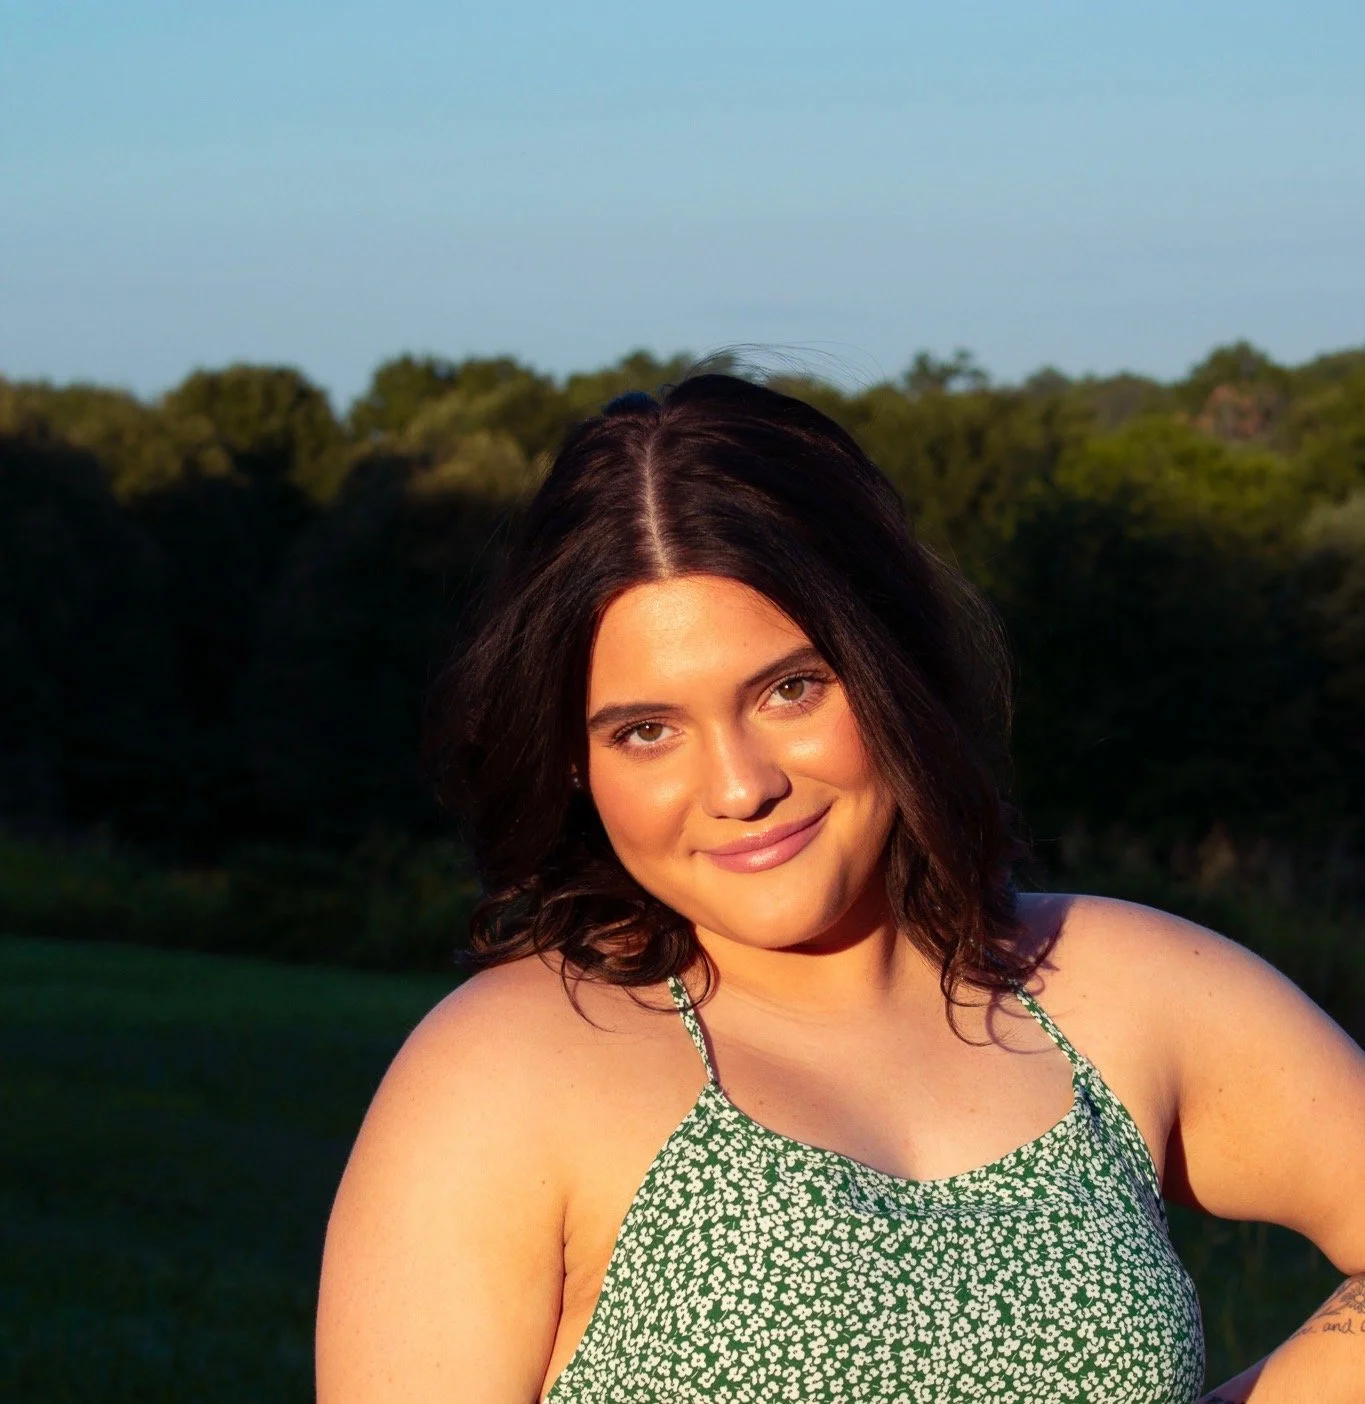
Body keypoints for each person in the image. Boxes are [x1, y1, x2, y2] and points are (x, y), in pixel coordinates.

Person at [315, 374, 1365, 1404]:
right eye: (646, 731)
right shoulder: (501, 1076)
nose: (740, 786)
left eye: (790, 689)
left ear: (889, 667)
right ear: (576, 769)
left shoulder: (1116, 991)